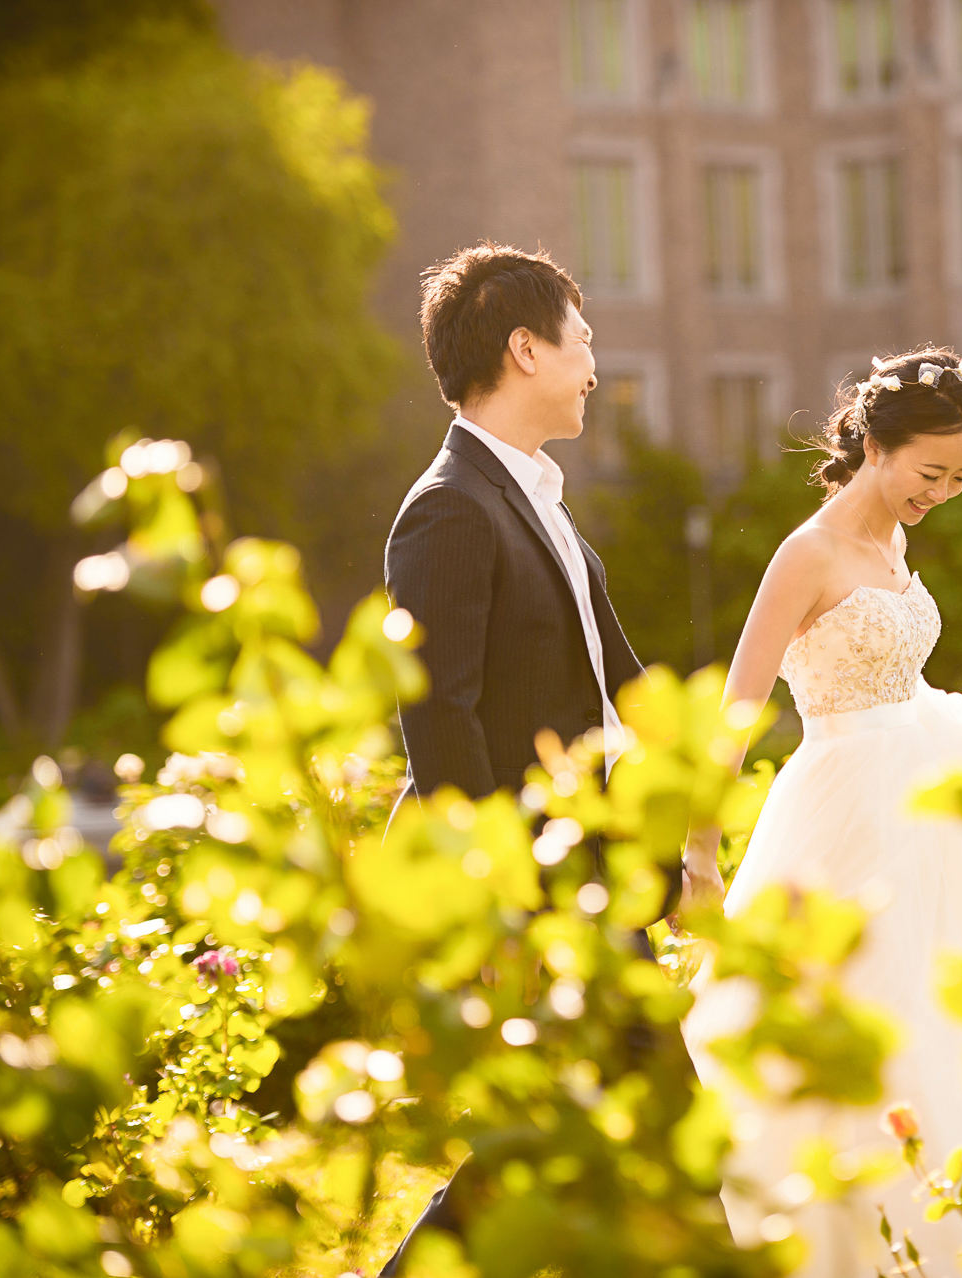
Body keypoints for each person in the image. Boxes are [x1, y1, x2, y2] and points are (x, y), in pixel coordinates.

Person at [681, 346, 962, 1278]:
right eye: (930, 472)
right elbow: (739, 707)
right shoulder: (808, 553)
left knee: (943, 1008)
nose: (943, 492)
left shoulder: (896, 544)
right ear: (874, 445)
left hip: (932, 803)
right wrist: (700, 849)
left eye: (960, 478)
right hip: (848, 813)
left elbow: (899, 683)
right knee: (863, 1006)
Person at [377, 241, 715, 1275]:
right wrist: (504, 908)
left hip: (600, 885)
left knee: (609, 1144)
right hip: (534, 896)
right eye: (585, 341)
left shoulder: (545, 511)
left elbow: (628, 686)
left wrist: (696, 833)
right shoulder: (448, 511)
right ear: (525, 349)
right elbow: (439, 724)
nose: (596, 367)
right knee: (609, 1143)